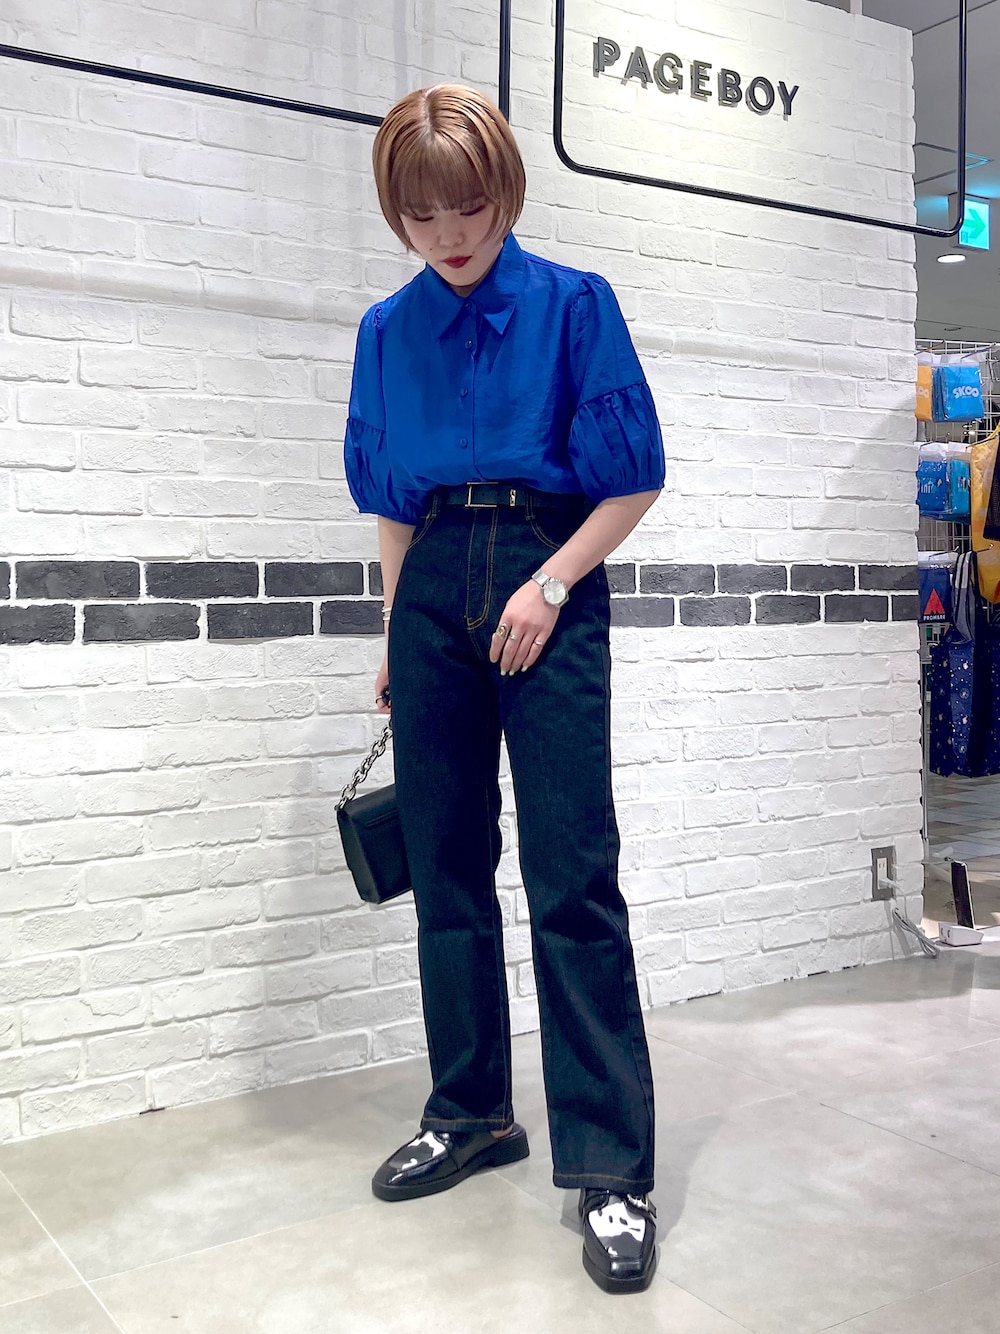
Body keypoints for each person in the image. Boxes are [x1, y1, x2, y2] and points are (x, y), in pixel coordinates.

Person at [344, 83, 665, 1294]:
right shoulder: (386, 329)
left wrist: (551, 581)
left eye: (469, 205)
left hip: (548, 569)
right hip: (431, 580)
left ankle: (611, 1166)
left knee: (572, 869)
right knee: (446, 864)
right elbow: (393, 501)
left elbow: (632, 477)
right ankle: (471, 1109)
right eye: (421, 214)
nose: (449, 233)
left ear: (506, 191)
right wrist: (395, 626)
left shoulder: (575, 304)